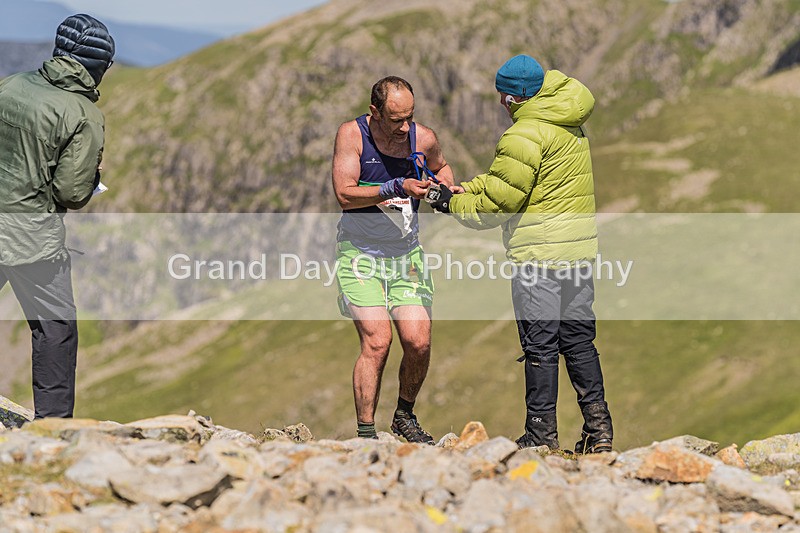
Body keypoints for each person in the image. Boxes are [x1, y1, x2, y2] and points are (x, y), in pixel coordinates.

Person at [432, 55, 614, 453]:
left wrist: (449, 205)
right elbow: (510, 179)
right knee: (580, 342)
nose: (500, 103)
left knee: (540, 346)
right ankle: (599, 434)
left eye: (502, 96)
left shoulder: (523, 135)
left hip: (539, 259)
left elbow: (499, 205)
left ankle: (540, 437)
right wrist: (468, 187)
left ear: (514, 98)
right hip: (578, 254)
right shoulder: (568, 122)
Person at [0, 15, 115, 419]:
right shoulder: (83, 114)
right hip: (32, 240)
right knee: (55, 328)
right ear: (96, 65)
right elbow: (71, 191)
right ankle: (52, 428)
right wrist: (94, 178)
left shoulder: (10, 83)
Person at [331, 76, 455, 443]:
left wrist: (444, 189)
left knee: (418, 341)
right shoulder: (351, 135)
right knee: (378, 341)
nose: (404, 127)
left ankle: (404, 416)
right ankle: (366, 434)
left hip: (407, 255)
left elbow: (442, 168)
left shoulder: (423, 138)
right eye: (395, 119)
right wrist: (394, 186)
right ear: (374, 112)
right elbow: (344, 194)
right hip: (359, 252)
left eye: (410, 118)